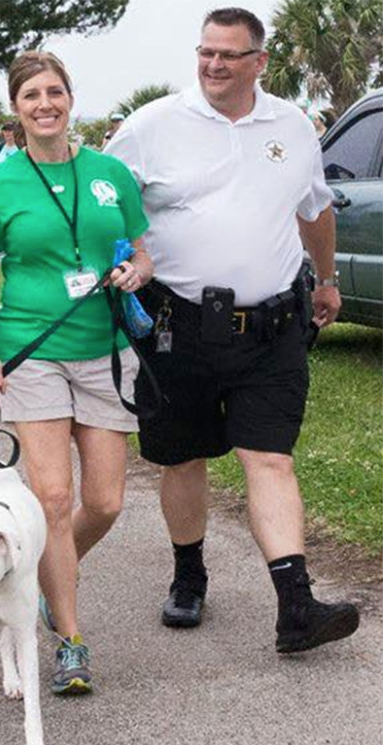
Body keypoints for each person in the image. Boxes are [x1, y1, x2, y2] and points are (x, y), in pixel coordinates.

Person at [106, 7, 359, 654]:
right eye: (206, 52)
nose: (214, 64)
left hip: (272, 326)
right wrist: (117, 263)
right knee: (183, 457)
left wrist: (326, 280)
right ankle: (188, 574)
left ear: (260, 62)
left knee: (270, 457)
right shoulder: (150, 127)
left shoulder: (293, 125)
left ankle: (295, 608)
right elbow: (105, 206)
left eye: (229, 55)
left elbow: (315, 207)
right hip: (177, 327)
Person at [0, 50, 153, 694]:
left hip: (105, 348)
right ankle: (70, 641)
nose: (46, 104)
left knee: (104, 501)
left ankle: (42, 570)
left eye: (55, 92)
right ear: (14, 109)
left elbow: (141, 252)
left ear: (70, 97)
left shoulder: (110, 174)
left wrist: (136, 271)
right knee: (52, 497)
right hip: (31, 352)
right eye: (31, 96)